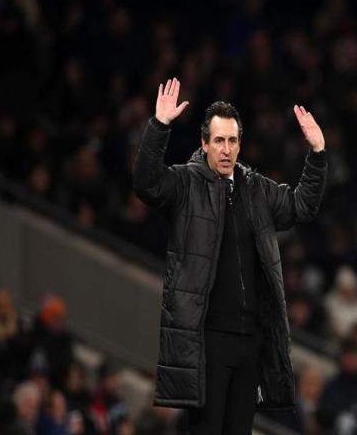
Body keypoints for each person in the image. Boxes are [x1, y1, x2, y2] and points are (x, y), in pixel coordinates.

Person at [133, 77, 327, 434]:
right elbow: (147, 184)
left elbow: (301, 206)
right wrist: (159, 127)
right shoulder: (186, 183)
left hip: (249, 342)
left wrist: (316, 154)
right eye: (219, 141)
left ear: (240, 145)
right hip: (208, 341)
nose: (226, 149)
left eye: (232, 141)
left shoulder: (256, 189)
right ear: (204, 143)